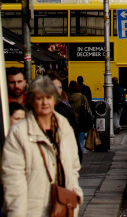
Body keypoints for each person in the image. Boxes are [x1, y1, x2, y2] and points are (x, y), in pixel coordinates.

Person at [2, 76, 82, 217]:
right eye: (39, 98)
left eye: (48, 98)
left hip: (64, 207)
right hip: (33, 211)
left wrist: (76, 194)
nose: (45, 102)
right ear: (32, 101)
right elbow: (13, 182)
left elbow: (74, 167)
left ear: (54, 100)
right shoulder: (19, 133)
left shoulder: (64, 128)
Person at [47, 72, 83, 163]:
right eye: (54, 87)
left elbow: (73, 138)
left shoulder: (66, 110)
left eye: (60, 87)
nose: (58, 91)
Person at [67, 82, 93, 155]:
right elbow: (88, 109)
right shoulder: (82, 97)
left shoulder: (67, 97)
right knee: (80, 141)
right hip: (81, 121)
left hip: (71, 122)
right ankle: (80, 157)